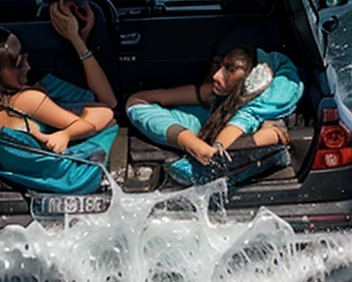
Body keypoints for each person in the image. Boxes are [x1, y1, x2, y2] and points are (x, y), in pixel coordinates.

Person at [126, 46, 303, 184]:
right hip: (209, 124)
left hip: (231, 142)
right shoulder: (216, 96)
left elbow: (238, 127)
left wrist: (214, 151)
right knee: (137, 106)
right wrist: (200, 96)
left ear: (251, 81)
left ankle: (198, 149)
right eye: (220, 66)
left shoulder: (267, 111)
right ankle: (195, 146)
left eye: (229, 69)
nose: (217, 76)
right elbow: (136, 101)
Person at [0, 17, 116, 154]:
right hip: (60, 170)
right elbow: (102, 113)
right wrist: (65, 134)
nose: (28, 67)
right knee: (108, 116)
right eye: (19, 63)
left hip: (21, 171)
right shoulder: (27, 100)